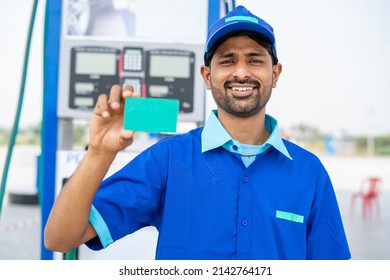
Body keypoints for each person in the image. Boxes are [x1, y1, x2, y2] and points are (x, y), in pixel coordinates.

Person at [44, 5, 351, 260]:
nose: (241, 72)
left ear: (275, 73)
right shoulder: (166, 161)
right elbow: (60, 238)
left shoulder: (309, 172)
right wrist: (99, 153)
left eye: (255, 60)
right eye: (227, 60)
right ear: (207, 75)